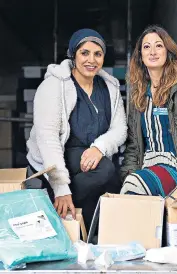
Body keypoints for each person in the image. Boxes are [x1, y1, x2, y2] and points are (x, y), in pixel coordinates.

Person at [26, 28, 127, 230]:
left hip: (92, 155)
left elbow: (120, 129)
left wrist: (100, 147)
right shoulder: (54, 85)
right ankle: (55, 202)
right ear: (73, 55)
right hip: (60, 156)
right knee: (105, 170)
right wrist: (61, 187)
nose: (92, 60)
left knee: (112, 181)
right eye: (84, 53)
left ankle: (84, 232)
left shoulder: (110, 87)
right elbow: (48, 138)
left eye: (98, 54)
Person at [120, 25, 177, 200]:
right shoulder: (138, 98)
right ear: (140, 56)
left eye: (159, 45)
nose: (153, 51)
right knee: (132, 188)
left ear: (168, 52)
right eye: (146, 47)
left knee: (134, 187)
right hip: (145, 171)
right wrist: (128, 176)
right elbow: (133, 148)